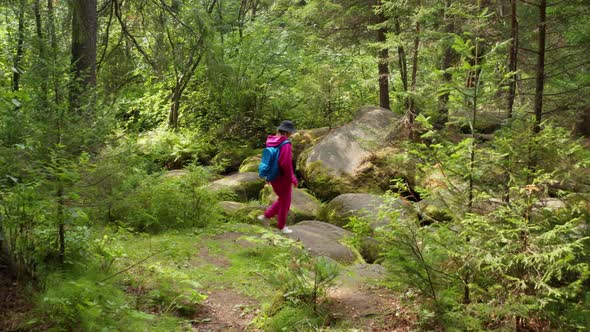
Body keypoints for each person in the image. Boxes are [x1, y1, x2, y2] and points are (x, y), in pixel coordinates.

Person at [258, 120, 298, 234]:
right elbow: (285, 163)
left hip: (273, 176)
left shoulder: (271, 141)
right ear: (287, 132)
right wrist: (292, 178)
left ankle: (266, 217)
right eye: (291, 132)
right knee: (286, 201)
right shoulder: (285, 144)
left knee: (282, 199)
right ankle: (281, 227)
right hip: (282, 177)